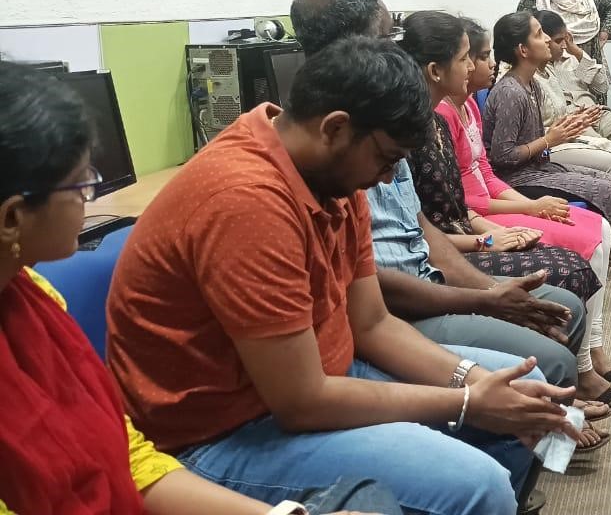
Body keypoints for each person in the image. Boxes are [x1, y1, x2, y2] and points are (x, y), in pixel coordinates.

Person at [106, 38, 575, 515]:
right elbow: (302, 402)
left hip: (326, 376)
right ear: (334, 127)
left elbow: (372, 324)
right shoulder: (246, 203)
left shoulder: (329, 170)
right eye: (386, 158)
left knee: (518, 403)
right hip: (226, 430)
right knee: (478, 487)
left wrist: (474, 385)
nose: (388, 178)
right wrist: (465, 402)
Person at [0, 62, 401, 515]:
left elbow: (127, 457)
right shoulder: (245, 200)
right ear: (12, 218)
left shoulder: (31, 293)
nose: (89, 196)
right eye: (80, 185)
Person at [289, 0, 596, 425]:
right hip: (389, 319)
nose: (398, 49)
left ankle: (549, 421)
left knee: (560, 309)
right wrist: (483, 293)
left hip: (410, 296)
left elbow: (422, 230)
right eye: (388, 37)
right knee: (548, 360)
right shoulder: (339, 157)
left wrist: (486, 291)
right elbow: (313, 382)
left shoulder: (373, 135)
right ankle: (550, 422)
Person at [401, 10, 611, 414]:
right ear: (435, 70)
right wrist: (507, 220)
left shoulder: (468, 108)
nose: (484, 64)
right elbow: (489, 175)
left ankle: (592, 355)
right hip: (499, 200)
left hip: (491, 205)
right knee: (581, 237)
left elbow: (478, 179)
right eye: (472, 57)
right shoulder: (462, 110)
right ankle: (581, 369)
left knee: (600, 205)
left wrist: (528, 203)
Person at [483, 11, 611, 285]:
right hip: (516, 179)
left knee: (607, 178)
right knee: (606, 187)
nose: (547, 39)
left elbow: (537, 142)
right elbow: (501, 157)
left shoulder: (531, 85)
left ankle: (609, 245)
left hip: (537, 167)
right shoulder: (510, 92)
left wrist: (563, 131)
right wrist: (552, 139)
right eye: (539, 34)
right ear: (523, 50)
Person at [536, 9, 611, 232]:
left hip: (595, 113)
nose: (563, 45)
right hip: (571, 123)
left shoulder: (570, 56)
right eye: (558, 40)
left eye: (566, 39)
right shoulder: (536, 66)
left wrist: (577, 52)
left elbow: (601, 86)